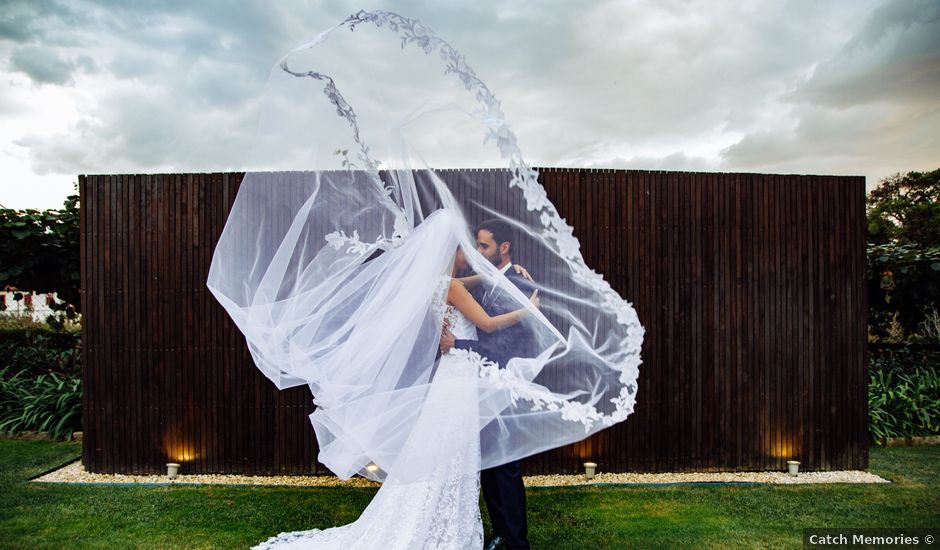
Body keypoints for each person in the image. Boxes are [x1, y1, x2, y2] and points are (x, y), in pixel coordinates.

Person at [252, 215, 539, 550]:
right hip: (459, 380)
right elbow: (488, 325)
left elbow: (476, 280)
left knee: (445, 451)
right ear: (452, 252)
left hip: (454, 377)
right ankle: (438, 522)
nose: (470, 254)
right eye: (465, 249)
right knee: (451, 452)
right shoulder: (453, 286)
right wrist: (528, 309)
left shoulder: (439, 282)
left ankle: (444, 519)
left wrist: (506, 273)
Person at [441, 219, 535, 550]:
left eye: (484, 246)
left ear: (503, 248)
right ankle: (501, 532)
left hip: (500, 382)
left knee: (505, 464)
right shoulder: (479, 283)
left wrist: (459, 345)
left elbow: (504, 346)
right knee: (488, 463)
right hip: (475, 382)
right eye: (476, 246)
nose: (478, 251)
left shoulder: (520, 286)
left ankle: (515, 539)